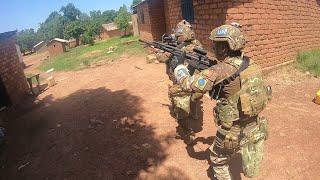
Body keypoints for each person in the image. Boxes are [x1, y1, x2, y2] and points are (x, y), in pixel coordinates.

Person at [172, 22, 272, 179]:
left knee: (217, 159)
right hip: (255, 126)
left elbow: (188, 85)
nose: (213, 48)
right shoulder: (252, 64)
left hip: (232, 131)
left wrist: (180, 68)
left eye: (216, 45)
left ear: (225, 47)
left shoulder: (219, 71)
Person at [165, 20, 204, 143]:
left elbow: (162, 58)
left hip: (184, 80)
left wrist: (166, 51)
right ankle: (194, 114)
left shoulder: (181, 47)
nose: (177, 36)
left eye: (179, 34)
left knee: (179, 101)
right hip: (196, 81)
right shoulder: (198, 44)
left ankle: (188, 134)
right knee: (193, 97)